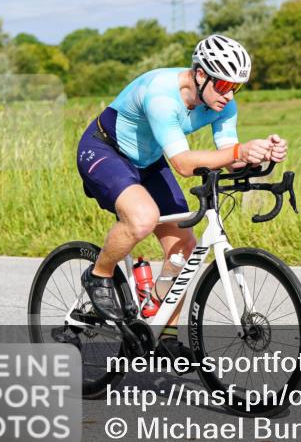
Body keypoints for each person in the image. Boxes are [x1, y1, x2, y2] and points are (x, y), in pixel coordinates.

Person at [76, 34, 288, 361]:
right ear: (200, 74)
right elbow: (184, 164)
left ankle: (166, 334)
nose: (229, 94)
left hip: (148, 159)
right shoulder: (162, 95)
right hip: (104, 150)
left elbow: (227, 155)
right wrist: (238, 151)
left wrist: (259, 154)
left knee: (186, 248)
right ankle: (99, 275)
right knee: (142, 218)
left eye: (237, 87)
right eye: (223, 85)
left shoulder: (223, 104)